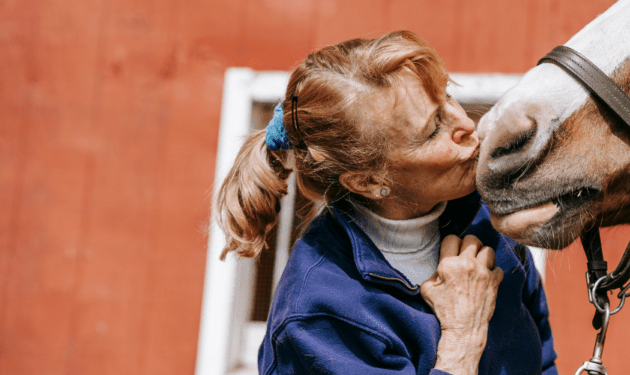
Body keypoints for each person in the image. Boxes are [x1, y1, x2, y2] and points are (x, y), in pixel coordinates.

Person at [215, 31, 558, 375]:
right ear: (368, 181)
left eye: (447, 97)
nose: (468, 124)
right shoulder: (320, 314)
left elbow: (541, 363)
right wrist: (463, 337)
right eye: (432, 130)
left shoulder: (485, 219)